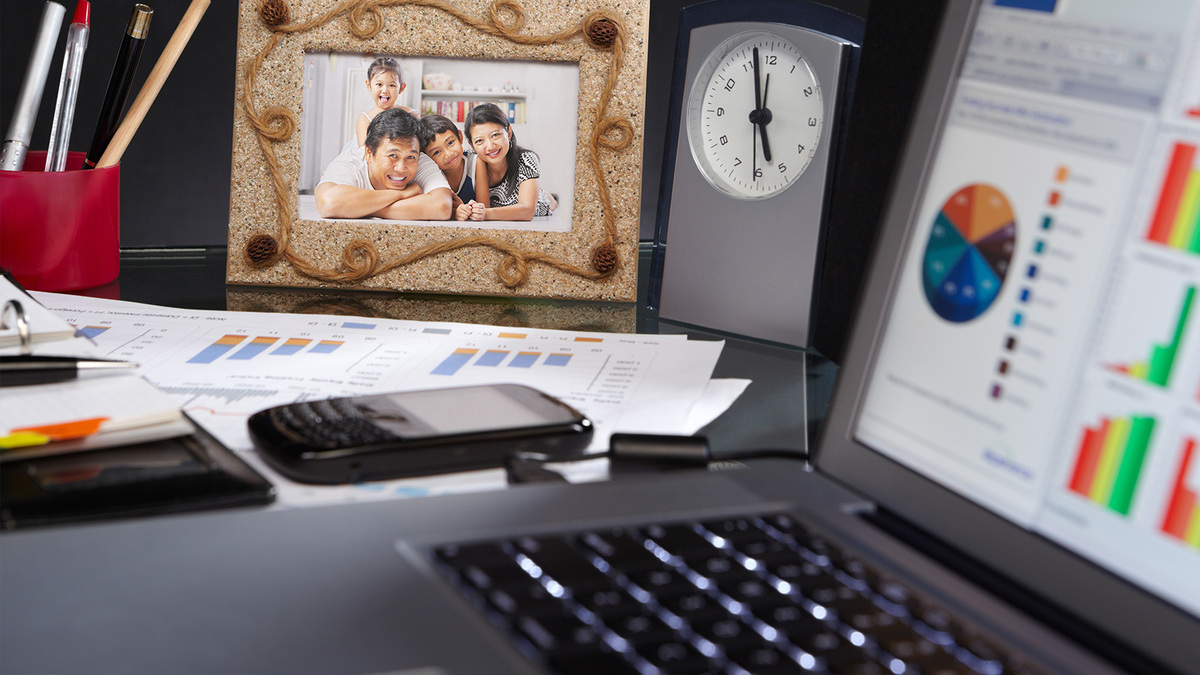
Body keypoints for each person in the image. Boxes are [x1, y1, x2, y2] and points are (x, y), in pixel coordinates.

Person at [315, 108, 453, 220]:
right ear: (369, 153)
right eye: (393, 155)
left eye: (410, 157)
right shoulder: (351, 160)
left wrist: (358, 208)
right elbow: (328, 202)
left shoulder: (420, 159)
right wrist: (401, 195)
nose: (401, 167)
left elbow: (442, 206)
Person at [456, 103, 556, 222]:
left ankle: (549, 196)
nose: (490, 146)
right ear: (472, 145)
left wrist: (485, 214)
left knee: (551, 203)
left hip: (538, 203)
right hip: (500, 213)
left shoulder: (526, 159)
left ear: (508, 133)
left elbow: (527, 211)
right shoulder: (470, 163)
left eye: (495, 135)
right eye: (479, 141)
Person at [355, 57, 416, 147]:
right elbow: (364, 153)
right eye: (379, 84)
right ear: (369, 85)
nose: (385, 90)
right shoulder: (365, 119)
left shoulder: (411, 114)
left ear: (401, 88)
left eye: (392, 85)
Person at [419, 114, 476, 209]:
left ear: (460, 137)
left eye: (450, 143)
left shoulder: (475, 162)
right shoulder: (431, 176)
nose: (448, 154)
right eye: (437, 152)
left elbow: (485, 208)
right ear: (427, 158)